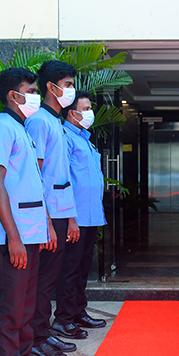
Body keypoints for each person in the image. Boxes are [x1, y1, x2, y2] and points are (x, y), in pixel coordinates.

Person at [0, 67, 58, 356]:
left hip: (29, 233)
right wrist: (13, 237)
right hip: (12, 236)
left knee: (26, 308)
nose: (35, 96)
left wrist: (43, 228)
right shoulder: (0, 128)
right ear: (14, 95)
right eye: (30, 90)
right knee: (10, 310)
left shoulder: (20, 128)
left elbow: (31, 186)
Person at [25, 60, 81, 356]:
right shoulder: (38, 122)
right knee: (42, 281)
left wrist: (70, 218)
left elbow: (62, 176)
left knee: (50, 279)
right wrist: (45, 221)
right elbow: (37, 175)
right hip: (47, 216)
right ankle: (36, 338)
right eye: (68, 84)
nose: (70, 90)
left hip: (60, 213)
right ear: (52, 87)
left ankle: (43, 333)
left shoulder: (55, 122)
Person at [51, 91, 107, 340]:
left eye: (89, 108)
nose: (89, 113)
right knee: (70, 269)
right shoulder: (66, 138)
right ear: (71, 113)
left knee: (83, 268)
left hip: (91, 214)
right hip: (75, 218)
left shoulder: (85, 138)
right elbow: (63, 179)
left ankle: (78, 312)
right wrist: (70, 219)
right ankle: (63, 319)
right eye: (85, 109)